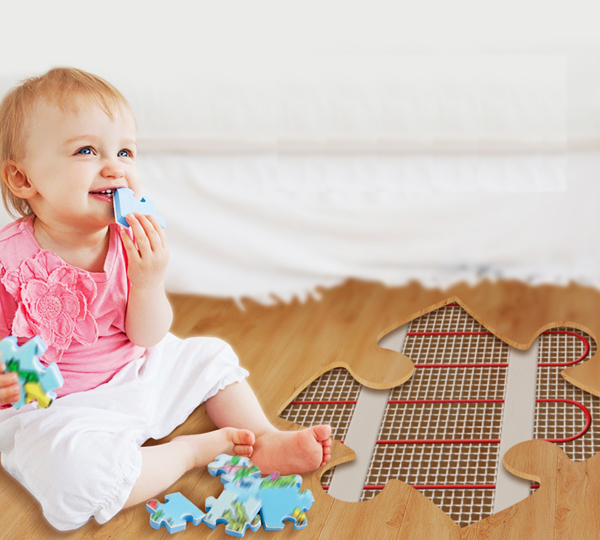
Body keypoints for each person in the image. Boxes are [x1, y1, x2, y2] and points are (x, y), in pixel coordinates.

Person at [0, 67, 332, 531]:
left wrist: (149, 281)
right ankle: (187, 453)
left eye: (125, 151)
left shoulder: (129, 240)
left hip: (137, 371)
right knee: (74, 476)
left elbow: (148, 336)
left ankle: (261, 438)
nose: (115, 167)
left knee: (210, 355)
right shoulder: (9, 259)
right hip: (59, 410)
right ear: (22, 178)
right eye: (86, 151)